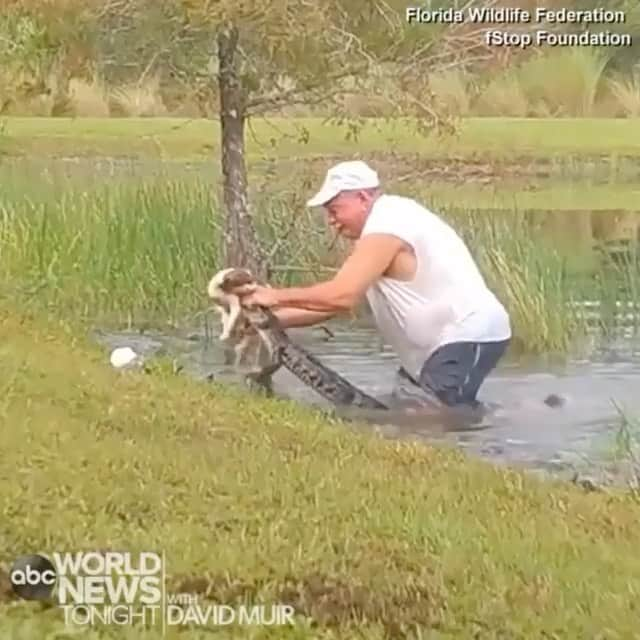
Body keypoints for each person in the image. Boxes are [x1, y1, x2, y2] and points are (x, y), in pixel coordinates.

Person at [231, 160, 512, 409]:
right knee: (419, 412)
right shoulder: (378, 231)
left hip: (468, 333)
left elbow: (342, 296)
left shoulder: (389, 222)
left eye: (335, 210)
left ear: (363, 197)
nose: (332, 222)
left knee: (430, 420)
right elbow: (329, 307)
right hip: (441, 346)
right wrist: (267, 321)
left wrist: (274, 296)